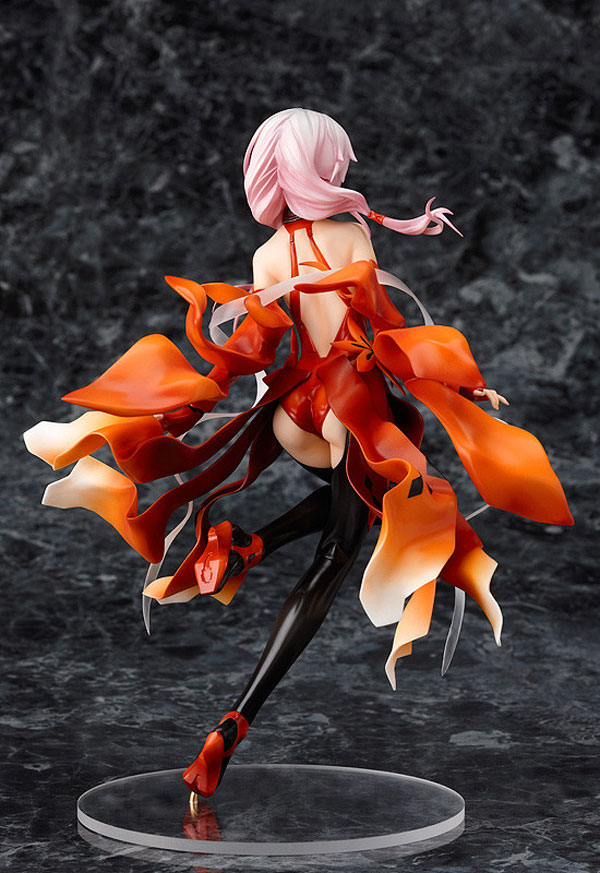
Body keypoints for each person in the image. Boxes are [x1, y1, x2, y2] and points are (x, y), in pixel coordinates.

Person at [24, 108, 573, 799]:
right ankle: (234, 720)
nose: (344, 167)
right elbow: (389, 327)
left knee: (364, 502)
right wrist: (465, 381)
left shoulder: (266, 257)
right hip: (348, 406)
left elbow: (255, 345)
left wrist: (191, 402)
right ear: (320, 165)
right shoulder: (350, 237)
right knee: (336, 555)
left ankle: (247, 543)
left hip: (293, 411)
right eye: (336, 157)